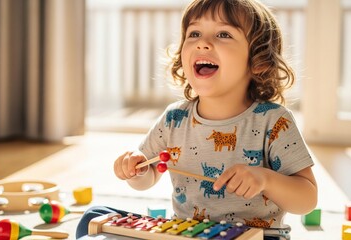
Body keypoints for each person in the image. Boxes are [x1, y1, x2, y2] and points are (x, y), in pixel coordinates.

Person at [76, 0, 317, 239]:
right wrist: (136, 171)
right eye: (194, 33)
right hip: (188, 234)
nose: (202, 42)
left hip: (257, 236)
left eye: (223, 34)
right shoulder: (174, 119)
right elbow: (148, 174)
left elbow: (307, 199)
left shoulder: (274, 121)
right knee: (93, 217)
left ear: (259, 62)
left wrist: (266, 179)